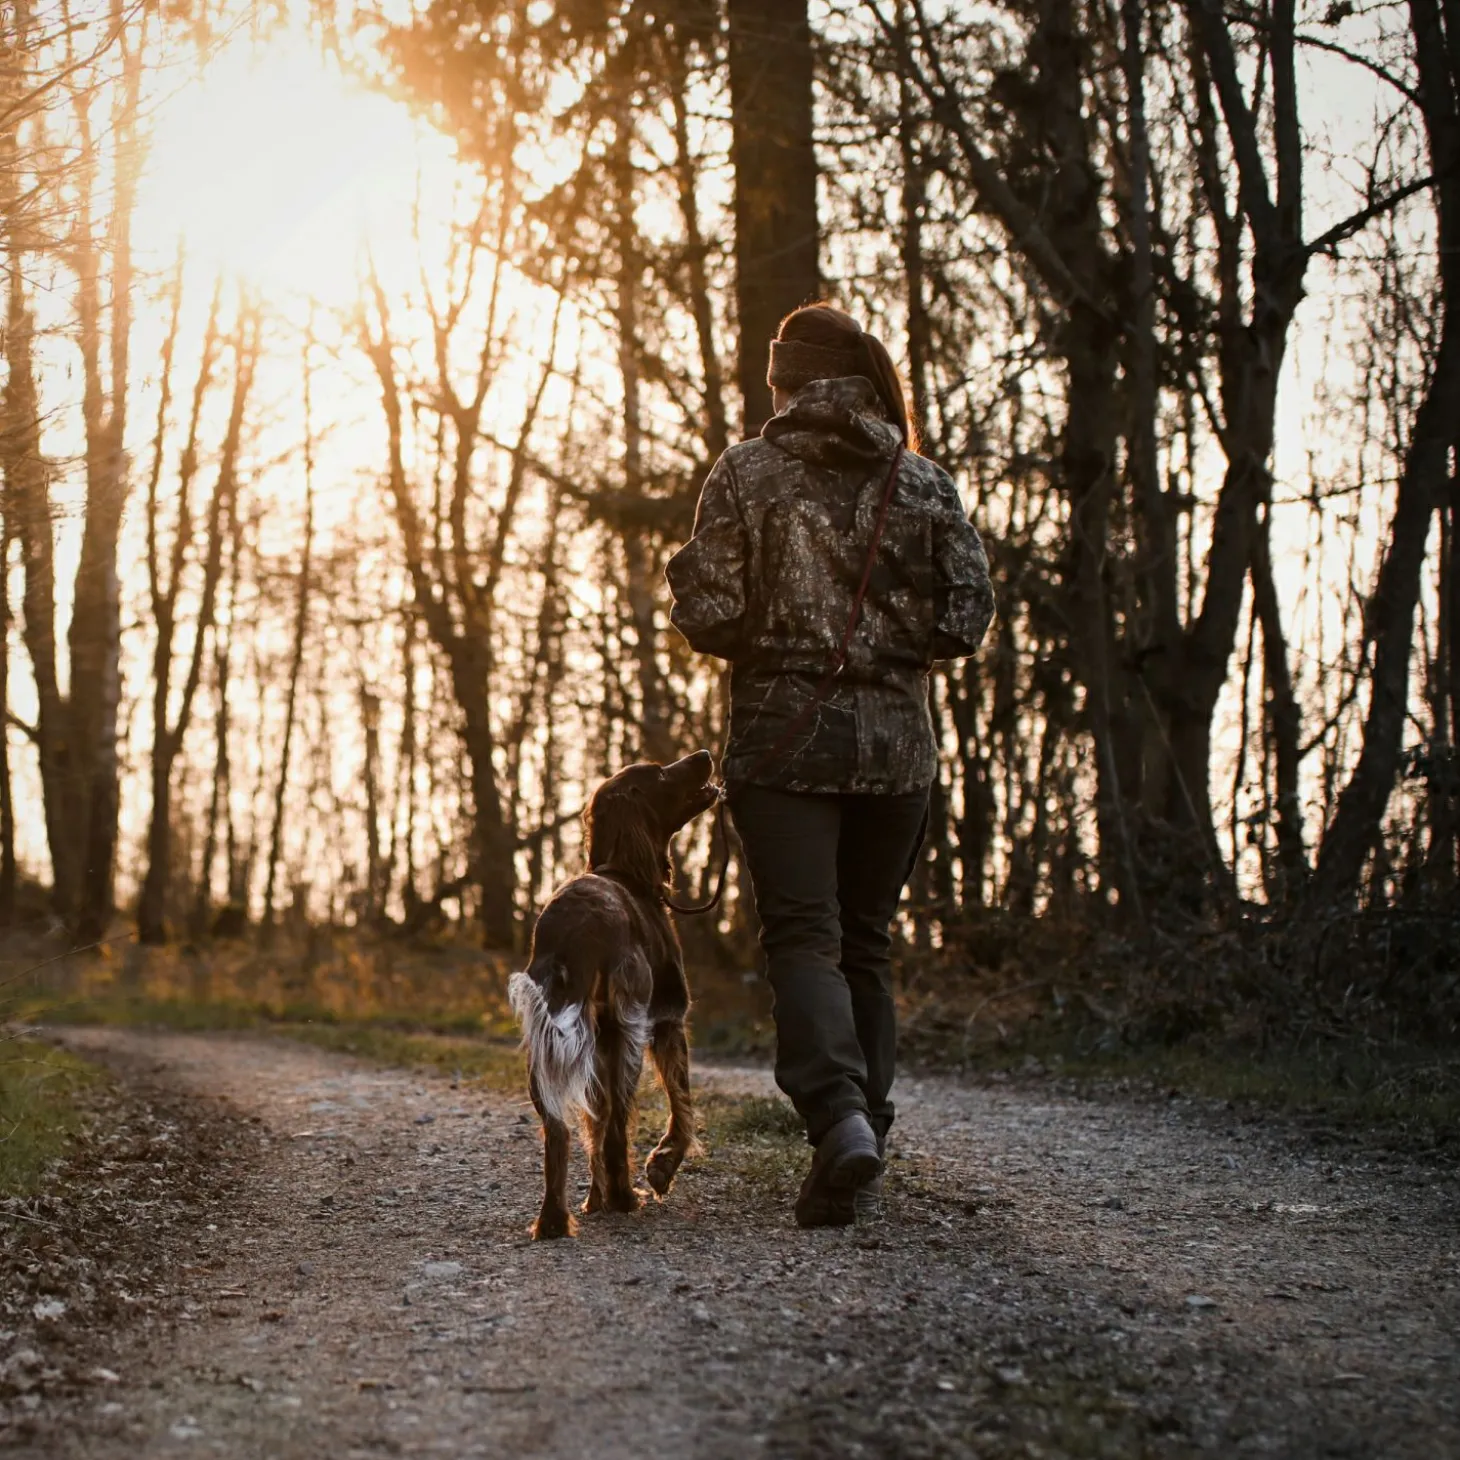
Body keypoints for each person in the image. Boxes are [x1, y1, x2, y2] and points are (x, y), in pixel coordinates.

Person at [665, 303, 994, 1227]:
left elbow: (708, 611)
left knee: (805, 937)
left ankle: (840, 1121)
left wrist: (764, 630)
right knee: (866, 941)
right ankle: (865, 1132)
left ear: (785, 383)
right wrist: (891, 646)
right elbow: (966, 615)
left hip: (786, 745)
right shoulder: (921, 480)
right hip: (898, 750)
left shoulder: (747, 471)